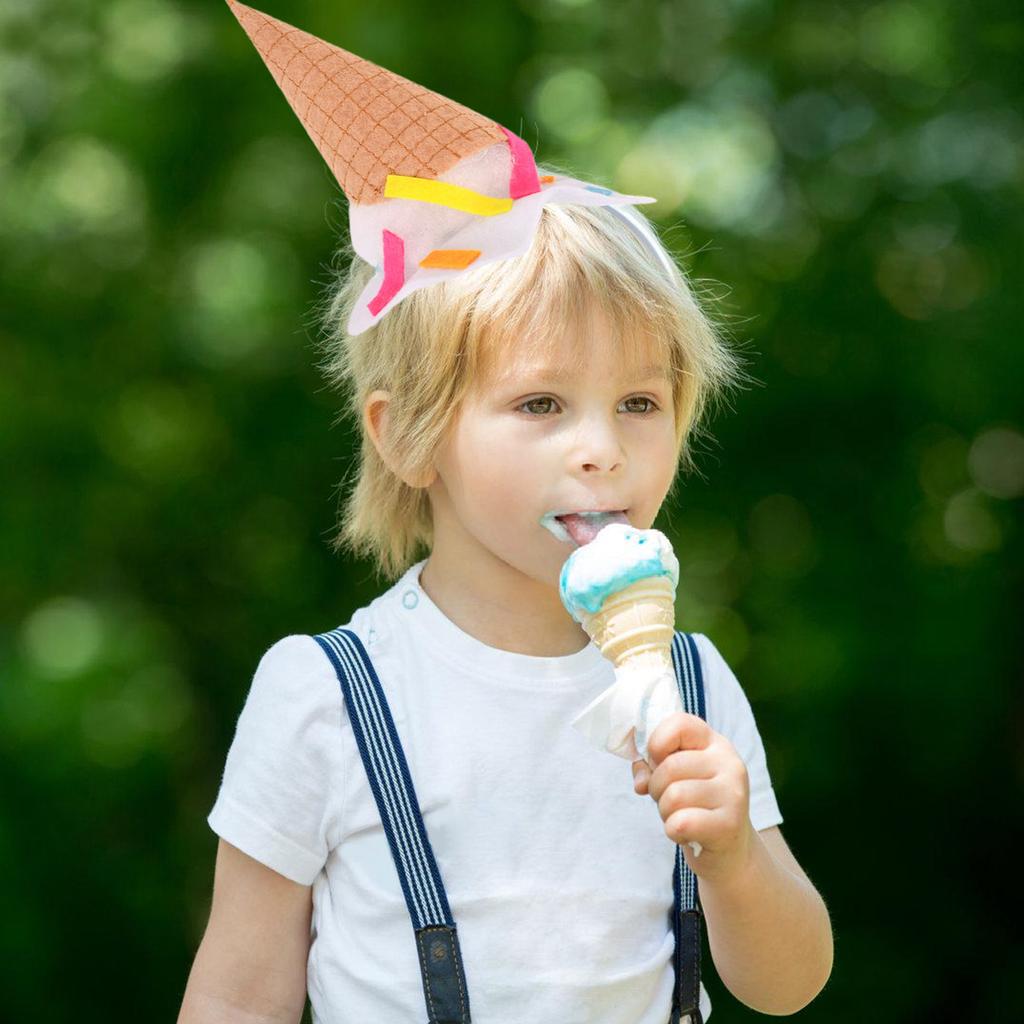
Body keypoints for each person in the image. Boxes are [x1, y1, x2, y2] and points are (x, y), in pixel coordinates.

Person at [178, 4, 833, 1022]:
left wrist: (736, 856)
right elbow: (236, 997)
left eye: (639, 402)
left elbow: (787, 984)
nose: (600, 446)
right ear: (407, 436)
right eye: (539, 403)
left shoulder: (694, 683)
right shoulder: (325, 696)